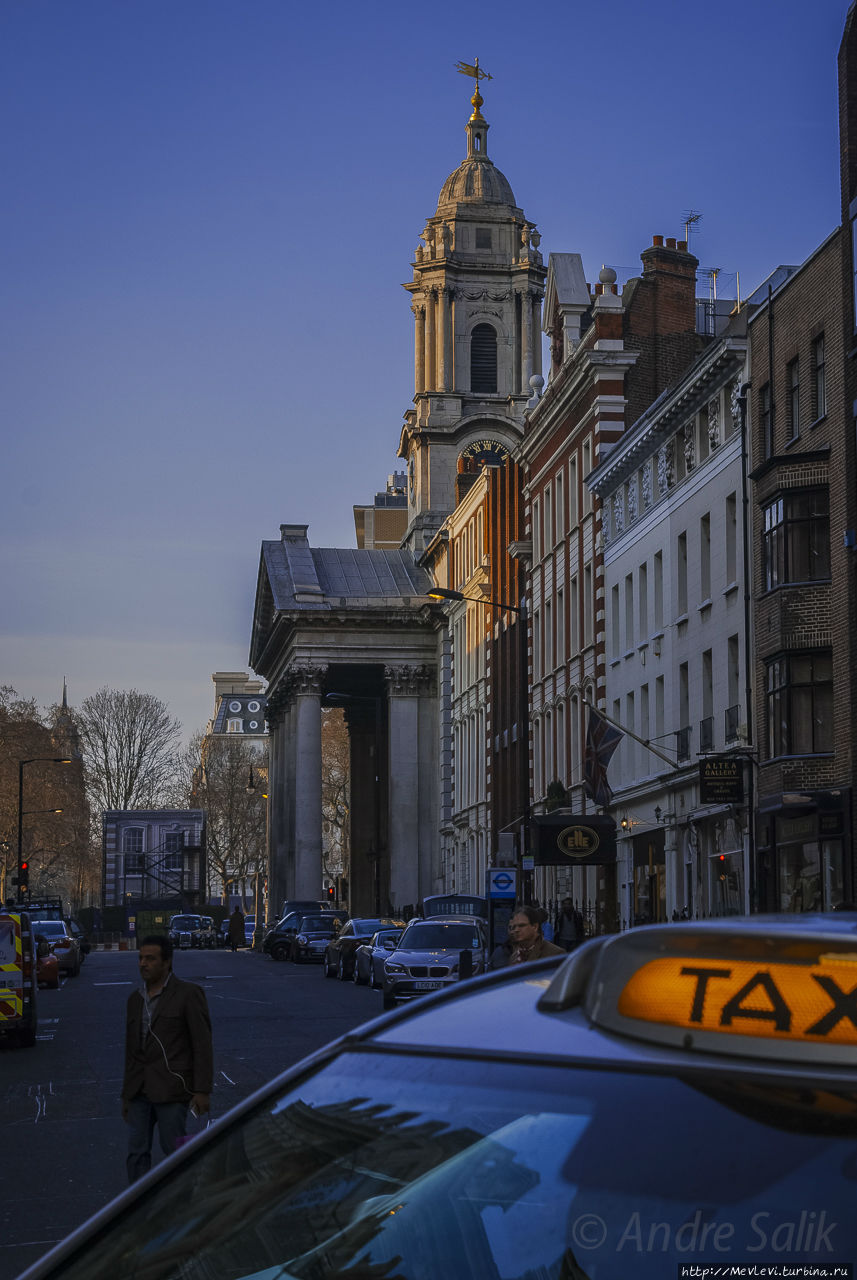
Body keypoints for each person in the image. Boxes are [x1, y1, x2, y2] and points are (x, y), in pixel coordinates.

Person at [122, 935, 213, 1183]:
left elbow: (202, 1044)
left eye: (150, 959)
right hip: (139, 1091)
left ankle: (186, 1202)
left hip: (172, 1090)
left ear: (167, 963)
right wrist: (126, 1095)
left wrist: (202, 1090)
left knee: (175, 1152)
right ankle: (138, 1208)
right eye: (140, 958)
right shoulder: (135, 1000)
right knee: (136, 1153)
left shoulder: (188, 994)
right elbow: (132, 1051)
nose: (143, 964)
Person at [491, 907, 564, 968]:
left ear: (535, 927)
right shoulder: (504, 953)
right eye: (512, 927)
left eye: (521, 926)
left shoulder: (555, 954)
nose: (516, 930)